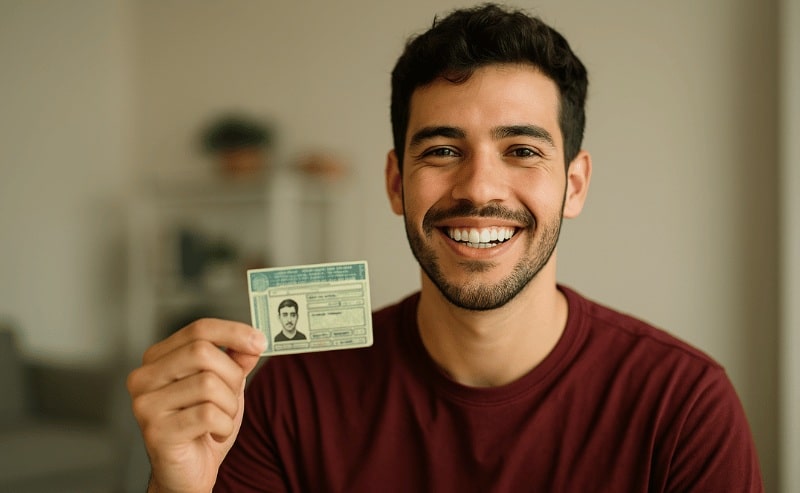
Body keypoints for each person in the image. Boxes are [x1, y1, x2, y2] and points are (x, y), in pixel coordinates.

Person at [127, 4, 764, 492]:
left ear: (573, 184)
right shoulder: (292, 396)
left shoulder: (683, 407)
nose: (479, 187)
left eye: (522, 151)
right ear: (396, 183)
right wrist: (179, 486)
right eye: (441, 150)